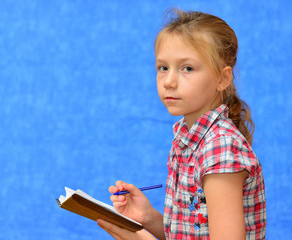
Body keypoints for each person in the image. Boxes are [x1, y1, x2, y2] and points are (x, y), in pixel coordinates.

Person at [97, 9, 266, 240]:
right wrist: (148, 218)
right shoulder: (187, 139)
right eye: (163, 68)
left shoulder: (220, 148)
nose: (169, 81)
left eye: (187, 68)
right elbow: (189, 233)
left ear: (222, 79)